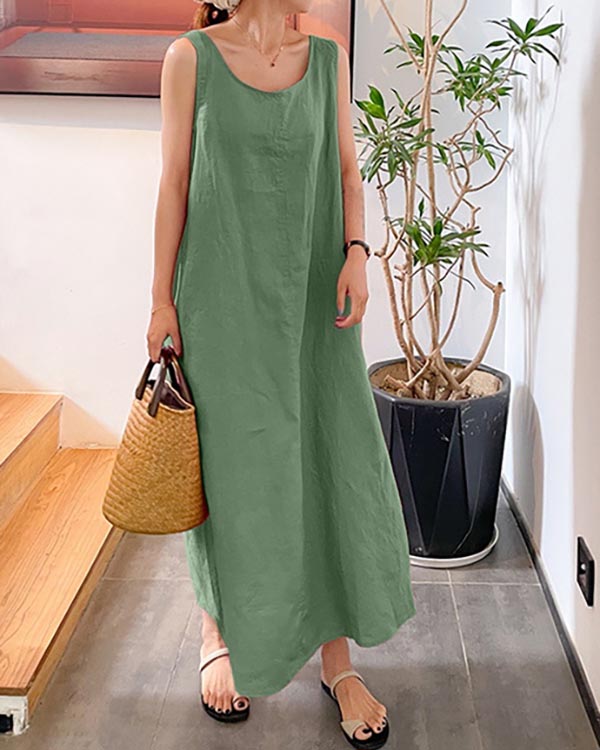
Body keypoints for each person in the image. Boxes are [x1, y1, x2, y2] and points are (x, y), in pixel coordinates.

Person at [146, 0, 416, 746]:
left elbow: (348, 169)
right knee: (233, 470)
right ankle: (217, 632)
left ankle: (337, 661)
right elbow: (174, 182)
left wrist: (358, 252)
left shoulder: (327, 60)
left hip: (312, 297)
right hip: (219, 299)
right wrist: (162, 300)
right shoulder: (190, 58)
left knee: (328, 460)